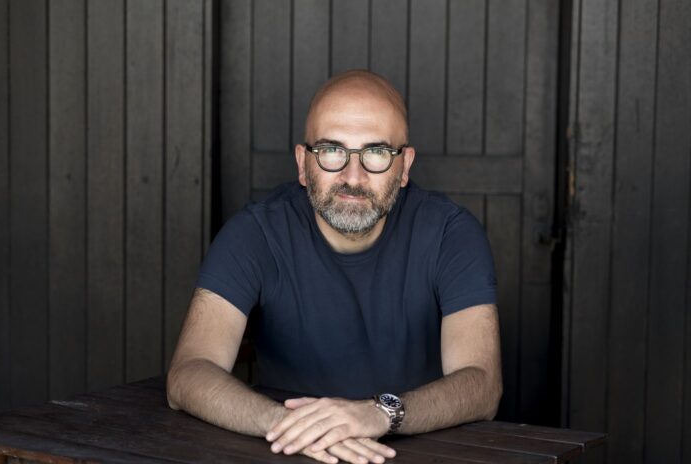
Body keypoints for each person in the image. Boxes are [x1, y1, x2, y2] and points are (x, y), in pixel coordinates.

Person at [166, 70, 502, 464]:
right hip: (289, 453)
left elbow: (483, 385)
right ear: (302, 163)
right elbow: (189, 371)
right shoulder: (255, 232)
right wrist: (291, 426)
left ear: (405, 166)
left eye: (376, 152)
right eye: (331, 150)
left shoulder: (450, 233)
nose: (352, 177)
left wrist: (378, 413)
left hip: (421, 453)